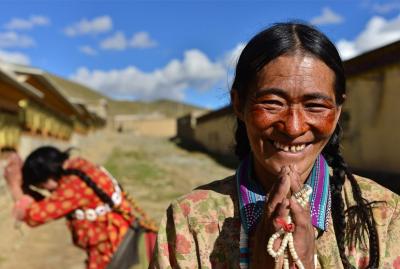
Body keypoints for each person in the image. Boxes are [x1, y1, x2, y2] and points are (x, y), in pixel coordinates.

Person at [150, 22, 400, 269]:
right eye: (272, 103)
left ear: (337, 111)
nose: (293, 127)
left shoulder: (383, 216)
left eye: (314, 106)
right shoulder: (189, 220)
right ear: (239, 104)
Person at [4, 146, 156, 269]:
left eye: (43, 187)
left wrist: (15, 186)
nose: (49, 192)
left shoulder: (73, 184)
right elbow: (49, 205)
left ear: (48, 178)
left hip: (111, 251)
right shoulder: (79, 167)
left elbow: (35, 215)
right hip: (122, 238)